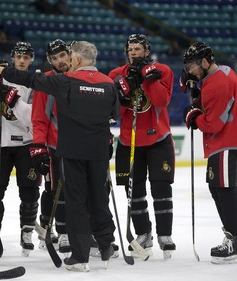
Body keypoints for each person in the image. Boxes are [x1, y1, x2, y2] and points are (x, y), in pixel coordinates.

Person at [0, 40, 120, 272]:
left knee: (76, 202)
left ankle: (80, 256)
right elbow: (113, 116)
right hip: (98, 152)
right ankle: (106, 245)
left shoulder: (66, 81)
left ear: (76, 59)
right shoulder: (108, 83)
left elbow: (31, 80)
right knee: (99, 198)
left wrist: (3, 72)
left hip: (72, 151)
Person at [108, 34, 176, 259]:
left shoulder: (163, 70)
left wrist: (148, 80)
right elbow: (114, 114)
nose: (134, 52)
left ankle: (165, 235)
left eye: (138, 48)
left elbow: (161, 102)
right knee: (134, 192)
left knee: (161, 189)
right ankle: (143, 234)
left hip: (158, 141)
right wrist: (124, 95)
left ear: (147, 51)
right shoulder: (116, 75)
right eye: (131, 49)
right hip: (131, 142)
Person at [0, 41, 41, 257]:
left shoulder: (35, 81)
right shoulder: (2, 78)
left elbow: (35, 118)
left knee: (30, 192)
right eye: (19, 56)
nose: (22, 60)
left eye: (26, 57)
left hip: (26, 144)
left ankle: (27, 231)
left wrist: (13, 99)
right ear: (13, 58)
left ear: (31, 59)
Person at [182, 42, 237, 264]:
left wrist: (194, 117)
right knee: (218, 189)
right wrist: (197, 91)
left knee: (224, 191)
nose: (190, 71)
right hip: (226, 144)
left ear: (205, 62)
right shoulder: (222, 73)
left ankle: (234, 239)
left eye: (193, 66)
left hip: (226, 143)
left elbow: (214, 123)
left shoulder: (217, 83)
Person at [31, 39, 72, 253]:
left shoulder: (82, 76)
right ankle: (62, 232)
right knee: (58, 190)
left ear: (70, 54)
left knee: (86, 190)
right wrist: (39, 147)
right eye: (54, 58)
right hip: (57, 146)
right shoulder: (46, 82)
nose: (59, 61)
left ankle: (84, 230)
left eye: (62, 56)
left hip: (83, 145)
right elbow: (39, 118)